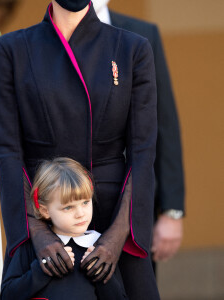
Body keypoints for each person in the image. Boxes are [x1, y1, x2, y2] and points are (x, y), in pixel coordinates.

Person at [0, 0, 160, 299]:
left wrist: (117, 238)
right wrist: (38, 233)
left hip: (113, 212)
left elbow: (143, 152)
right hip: (44, 212)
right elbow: (7, 152)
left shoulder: (132, 47)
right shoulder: (10, 50)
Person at [92, 0, 185, 264]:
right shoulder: (44, 40)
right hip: (67, 204)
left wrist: (172, 211)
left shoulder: (143, 34)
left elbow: (164, 123)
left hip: (135, 205)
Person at [0, 157, 128, 299]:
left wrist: (100, 275)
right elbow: (7, 295)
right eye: (68, 207)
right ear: (45, 210)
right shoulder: (30, 246)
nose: (80, 214)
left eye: (85, 202)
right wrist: (40, 271)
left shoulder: (98, 248)